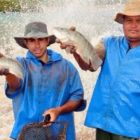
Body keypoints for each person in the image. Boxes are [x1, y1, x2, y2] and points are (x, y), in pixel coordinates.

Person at [57, 0, 140, 140]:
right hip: (103, 122)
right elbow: (90, 65)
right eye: (129, 20)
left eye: (139, 20)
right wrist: (76, 50)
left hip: (131, 129)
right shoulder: (108, 43)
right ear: (123, 23)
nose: (134, 25)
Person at [0, 21, 84, 140]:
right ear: (26, 43)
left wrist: (58, 110)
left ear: (47, 40)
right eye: (32, 40)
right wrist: (8, 73)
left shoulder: (66, 66)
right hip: (27, 134)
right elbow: (15, 86)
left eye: (40, 39)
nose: (37, 44)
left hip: (60, 134)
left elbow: (77, 96)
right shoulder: (20, 64)